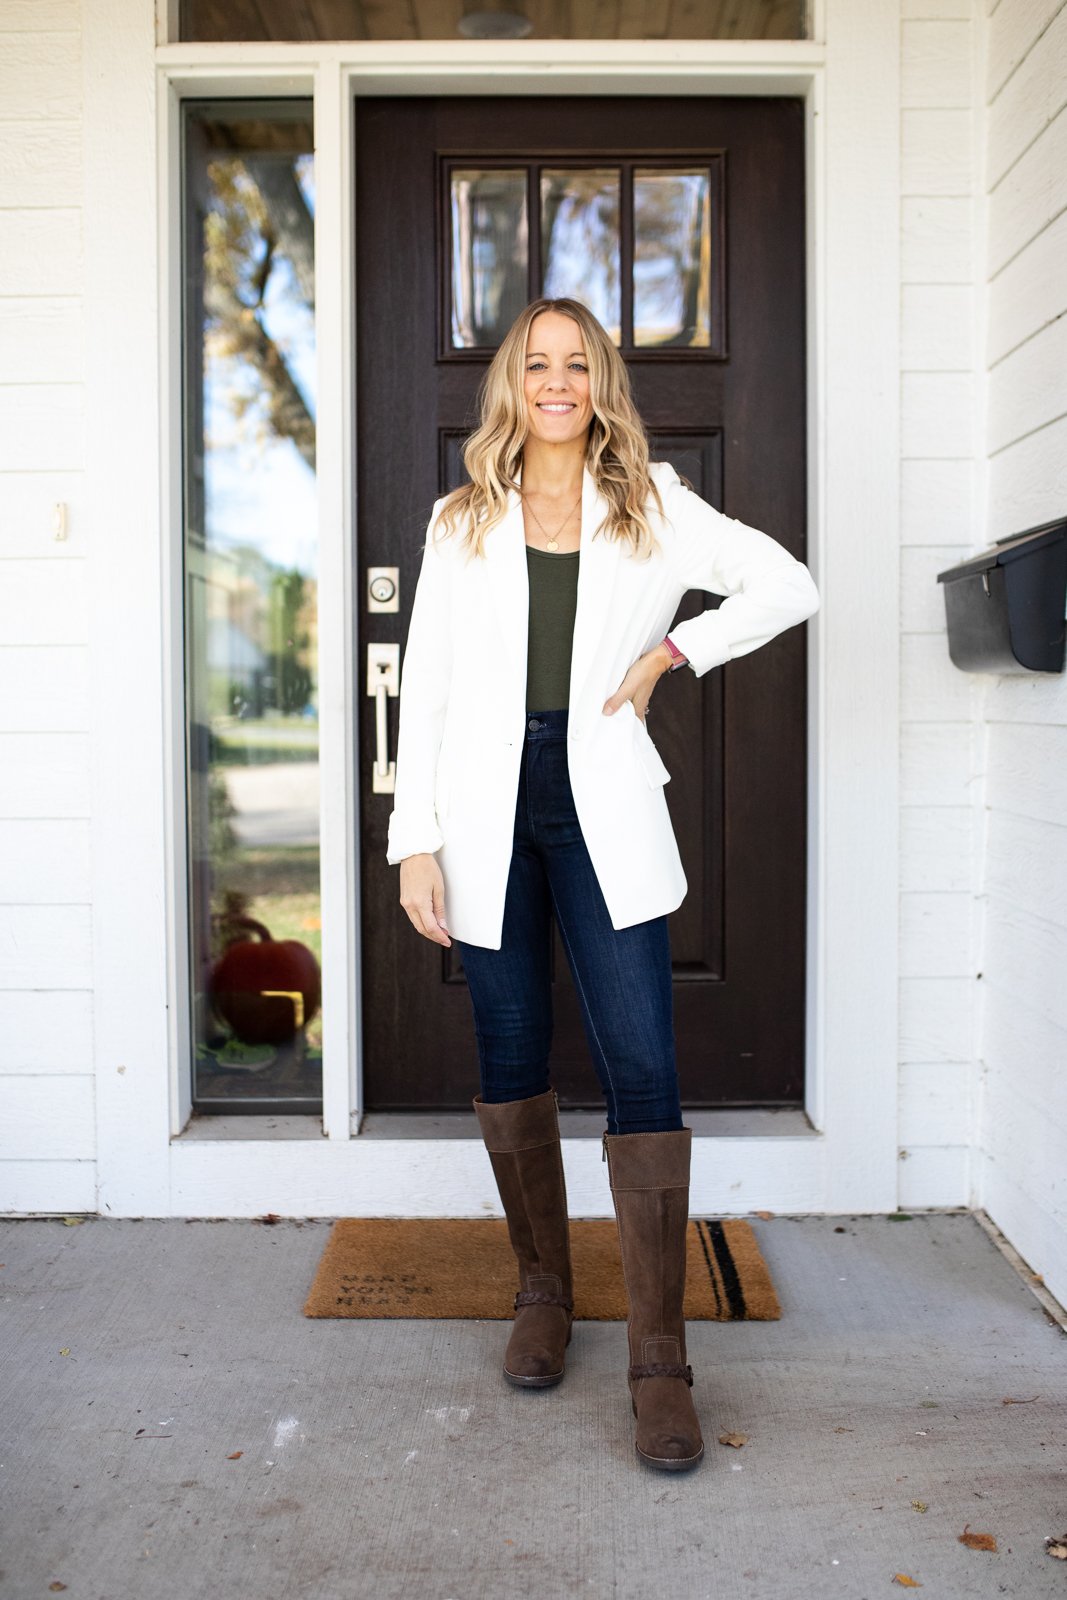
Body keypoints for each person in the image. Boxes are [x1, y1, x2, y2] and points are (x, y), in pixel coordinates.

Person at [386, 296, 820, 1473]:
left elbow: (787, 585)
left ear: (600, 381)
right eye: (538, 363)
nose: (558, 381)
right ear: (510, 384)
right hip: (482, 811)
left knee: (643, 1061)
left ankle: (659, 1359)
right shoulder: (459, 517)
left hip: (602, 808)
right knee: (510, 1049)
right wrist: (412, 837)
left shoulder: (655, 509)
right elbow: (421, 685)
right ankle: (542, 1295)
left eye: (577, 364)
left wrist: (675, 650)